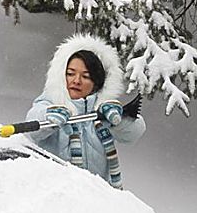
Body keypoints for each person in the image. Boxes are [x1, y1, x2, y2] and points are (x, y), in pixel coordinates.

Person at [26, 34, 146, 189]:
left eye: (86, 76)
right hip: (54, 194)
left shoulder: (102, 111)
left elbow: (134, 132)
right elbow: (33, 123)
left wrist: (118, 120)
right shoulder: (50, 102)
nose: (76, 81)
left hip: (94, 198)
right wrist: (49, 117)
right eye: (70, 74)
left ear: (97, 82)